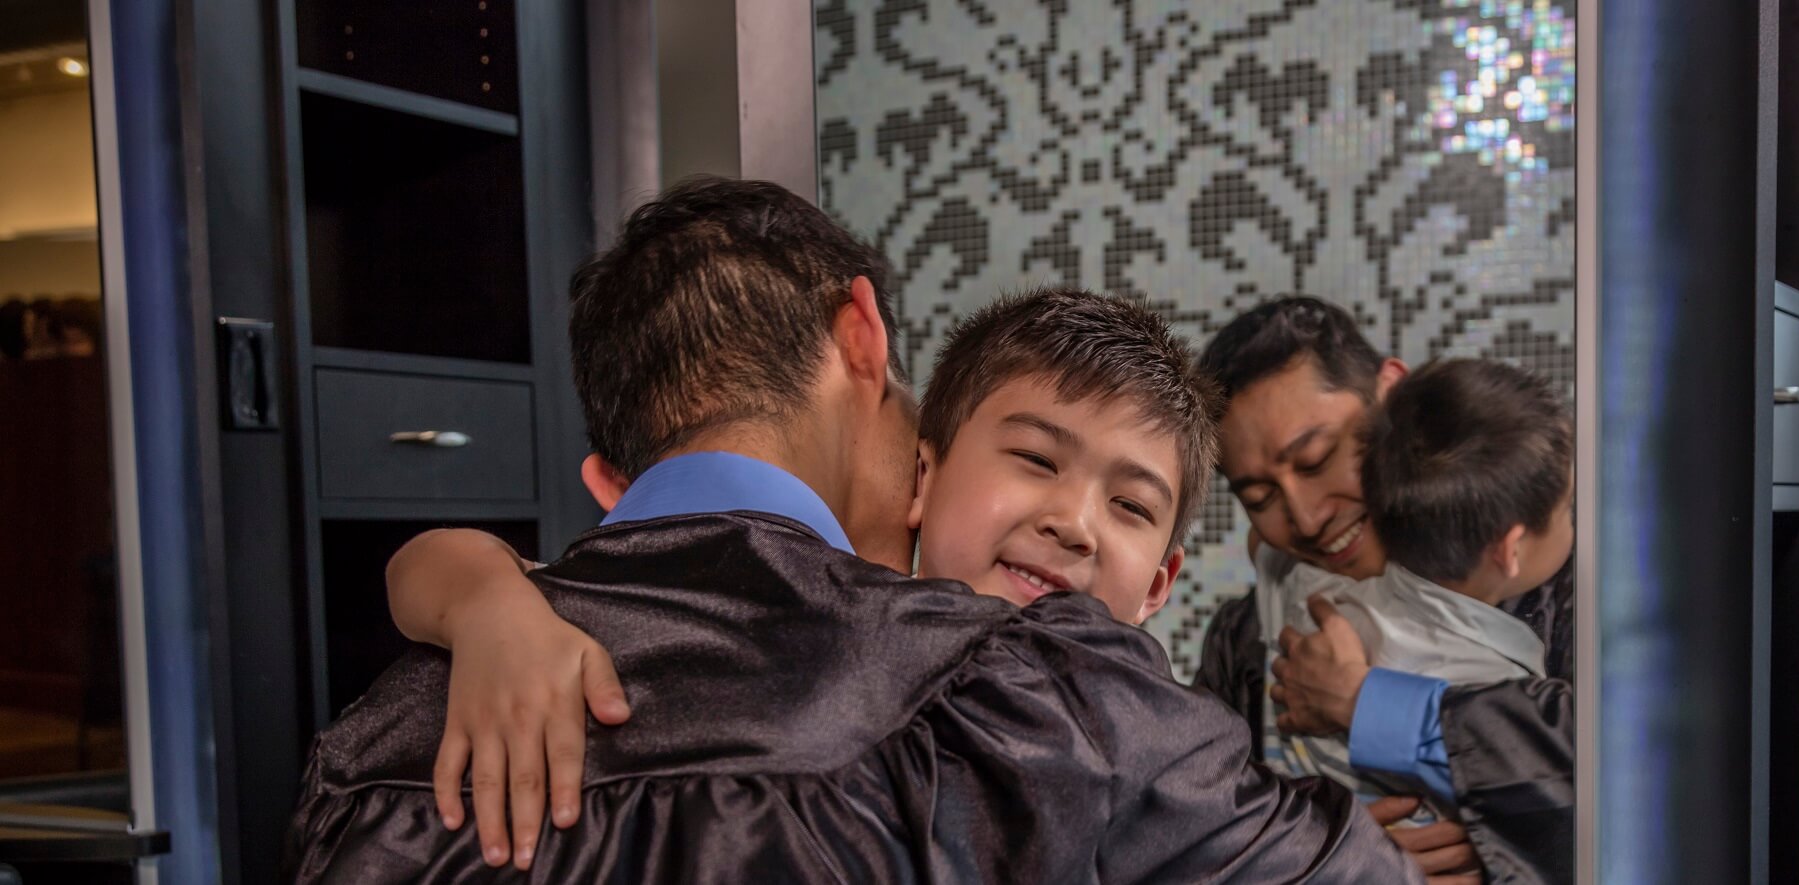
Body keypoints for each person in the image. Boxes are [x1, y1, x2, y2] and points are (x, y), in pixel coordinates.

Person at [285, 176, 1422, 883]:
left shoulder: (379, 741)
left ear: (605, 481)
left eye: (1128, 503)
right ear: (864, 336)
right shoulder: (1026, 685)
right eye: (1025, 456)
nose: (1067, 525)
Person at [1193, 298, 1574, 884]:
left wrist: (1497, 840)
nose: (1307, 517)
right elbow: (1190, 832)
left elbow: (1638, 779)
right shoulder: (1245, 639)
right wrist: (1326, 858)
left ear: (1391, 395)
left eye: (1317, 460)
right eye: (1260, 499)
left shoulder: (1544, 584)